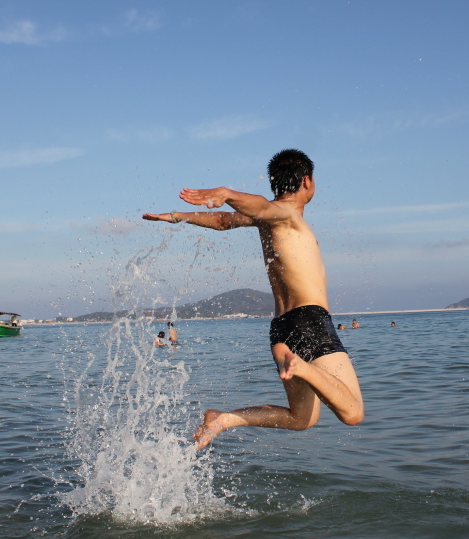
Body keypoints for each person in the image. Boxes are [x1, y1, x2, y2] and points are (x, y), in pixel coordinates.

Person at [143, 148, 364, 449]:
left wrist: (177, 216)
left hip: (282, 329)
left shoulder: (266, 220)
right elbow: (259, 205)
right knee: (352, 413)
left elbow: (223, 220)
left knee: (302, 419)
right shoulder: (287, 214)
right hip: (309, 319)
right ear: (307, 182)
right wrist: (226, 192)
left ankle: (222, 420)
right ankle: (300, 365)